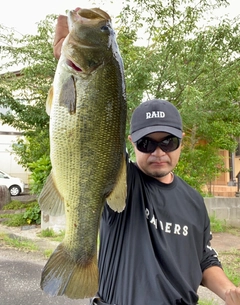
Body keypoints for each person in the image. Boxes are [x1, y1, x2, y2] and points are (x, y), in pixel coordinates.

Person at [53, 11, 240, 305]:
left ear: (180, 140)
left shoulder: (193, 201)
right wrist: (69, 63)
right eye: (146, 143)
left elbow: (203, 257)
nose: (158, 152)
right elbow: (89, 136)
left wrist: (230, 291)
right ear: (131, 143)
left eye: (168, 141)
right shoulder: (120, 182)